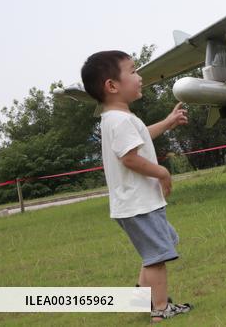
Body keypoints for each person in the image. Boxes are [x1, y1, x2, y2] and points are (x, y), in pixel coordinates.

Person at [81, 50, 192, 323]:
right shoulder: (119, 121)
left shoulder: (119, 118)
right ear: (112, 85)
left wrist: (166, 123)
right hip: (138, 204)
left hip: (138, 203)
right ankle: (160, 308)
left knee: (158, 248)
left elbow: (140, 138)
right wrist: (163, 173)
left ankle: (142, 298)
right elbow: (130, 158)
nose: (139, 77)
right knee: (157, 256)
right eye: (132, 71)